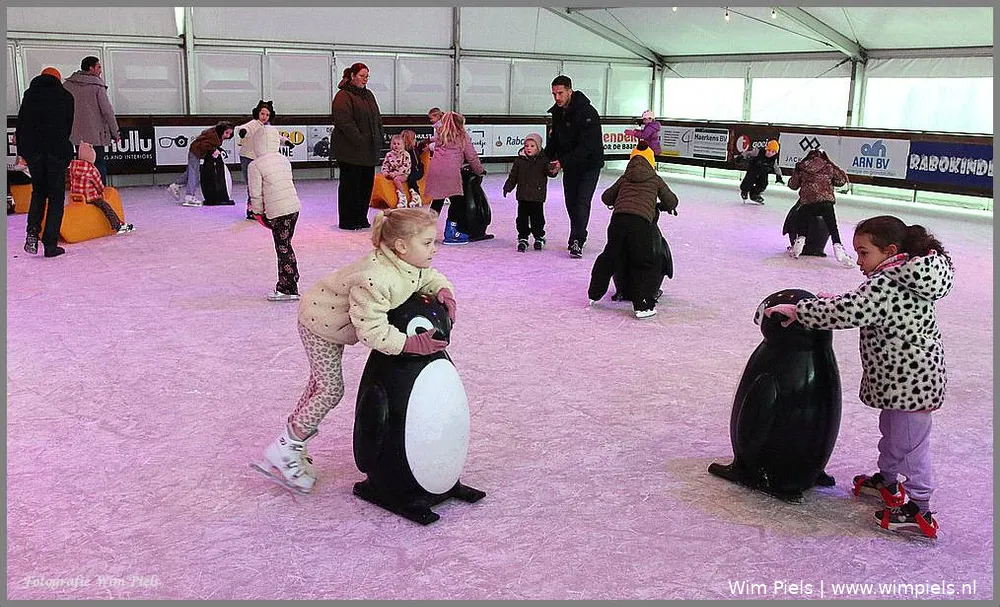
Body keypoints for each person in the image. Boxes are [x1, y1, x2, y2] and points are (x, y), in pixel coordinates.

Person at [764, 216, 954, 539]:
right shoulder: (903, 274)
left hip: (912, 384)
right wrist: (828, 302)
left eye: (864, 253)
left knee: (910, 447)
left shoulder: (887, 283)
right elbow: (859, 303)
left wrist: (801, 311)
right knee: (892, 434)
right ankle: (888, 482)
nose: (859, 261)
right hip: (905, 380)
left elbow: (850, 311)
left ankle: (919, 510)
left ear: (889, 251)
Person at [255, 207, 457, 494]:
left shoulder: (406, 264)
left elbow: (427, 277)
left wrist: (443, 291)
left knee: (318, 385)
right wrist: (410, 343)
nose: (434, 248)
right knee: (330, 389)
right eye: (427, 242)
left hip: (329, 320)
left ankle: (292, 440)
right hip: (319, 323)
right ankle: (286, 449)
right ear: (401, 246)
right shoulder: (376, 279)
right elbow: (371, 330)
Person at [587, 155, 678, 319]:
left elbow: (606, 197)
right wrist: (661, 205)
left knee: (610, 256)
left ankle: (594, 293)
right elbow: (672, 201)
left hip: (618, 221)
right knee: (643, 262)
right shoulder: (655, 179)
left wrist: (620, 199)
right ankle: (643, 305)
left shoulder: (625, 178)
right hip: (640, 223)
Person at [16, 67, 75, 258]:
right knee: (56, 197)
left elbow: (21, 124)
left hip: (34, 152)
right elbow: (67, 127)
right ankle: (50, 244)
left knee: (39, 192)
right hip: (56, 152)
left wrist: (23, 151)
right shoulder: (65, 96)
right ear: (58, 79)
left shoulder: (29, 95)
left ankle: (32, 232)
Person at [545, 75, 605, 259]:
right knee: (571, 202)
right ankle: (578, 234)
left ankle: (577, 239)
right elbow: (555, 140)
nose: (557, 97)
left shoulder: (587, 113)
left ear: (570, 91)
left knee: (581, 201)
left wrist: (562, 162)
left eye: (560, 93)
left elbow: (587, 146)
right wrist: (543, 159)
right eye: (554, 94)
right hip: (571, 165)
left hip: (589, 165)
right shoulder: (558, 112)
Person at [248, 126, 302, 302]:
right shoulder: (283, 160)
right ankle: (292, 277)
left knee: (282, 247)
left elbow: (256, 193)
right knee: (286, 244)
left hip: (278, 212)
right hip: (293, 208)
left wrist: (257, 212)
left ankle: (287, 288)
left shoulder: (255, 165)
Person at [331, 62, 383, 230]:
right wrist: (359, 140)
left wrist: (379, 136)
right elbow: (344, 122)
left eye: (367, 76)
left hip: (368, 151)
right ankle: (348, 220)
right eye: (362, 76)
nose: (365, 79)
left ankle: (361, 217)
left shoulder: (369, 95)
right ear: (352, 76)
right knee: (350, 186)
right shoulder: (343, 96)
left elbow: (377, 118)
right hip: (350, 151)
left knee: (365, 185)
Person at [422, 111, 485, 245]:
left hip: (435, 170)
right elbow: (471, 156)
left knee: (437, 201)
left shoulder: (440, 134)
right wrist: (479, 170)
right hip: (450, 172)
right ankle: (451, 232)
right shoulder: (461, 136)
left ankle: (426, 231)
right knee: (457, 201)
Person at [786, 148, 853, 266]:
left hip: (807, 202)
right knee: (833, 227)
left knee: (802, 220)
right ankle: (838, 249)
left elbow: (793, 185)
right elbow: (841, 181)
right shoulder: (828, 166)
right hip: (825, 203)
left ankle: (798, 245)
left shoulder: (802, 166)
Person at [62, 56, 119, 184]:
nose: (100, 70)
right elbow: (107, 111)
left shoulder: (67, 85)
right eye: (98, 67)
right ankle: (100, 191)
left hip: (76, 134)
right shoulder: (97, 86)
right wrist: (115, 132)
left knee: (81, 164)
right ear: (91, 68)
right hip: (96, 134)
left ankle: (83, 189)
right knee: (98, 163)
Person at [502, 132, 554, 252]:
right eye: (526, 146)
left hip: (537, 196)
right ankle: (523, 236)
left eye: (532, 146)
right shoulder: (519, 161)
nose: (528, 148)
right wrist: (508, 187)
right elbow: (513, 176)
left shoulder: (543, 160)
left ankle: (539, 236)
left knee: (537, 218)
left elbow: (550, 173)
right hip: (523, 196)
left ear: (538, 147)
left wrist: (552, 169)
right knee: (522, 218)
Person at [68, 141, 134, 234]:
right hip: (90, 197)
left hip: (76, 196)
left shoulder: (73, 167)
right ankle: (117, 225)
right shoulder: (91, 170)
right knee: (106, 206)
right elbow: (99, 185)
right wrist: (101, 191)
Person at [167, 122, 234, 207]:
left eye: (230, 134)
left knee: (191, 172)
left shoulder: (214, 134)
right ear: (221, 130)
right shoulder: (213, 136)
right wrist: (213, 150)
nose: (228, 136)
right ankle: (189, 196)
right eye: (226, 133)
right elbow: (204, 145)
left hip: (196, 152)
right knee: (193, 174)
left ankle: (175, 185)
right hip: (195, 152)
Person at [236, 100, 275, 220]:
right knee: (252, 185)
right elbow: (244, 128)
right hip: (248, 157)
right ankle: (251, 209)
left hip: (259, 159)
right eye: (262, 114)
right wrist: (243, 132)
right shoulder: (253, 124)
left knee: (261, 184)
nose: (264, 117)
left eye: (267, 115)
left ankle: (259, 209)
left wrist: (286, 141)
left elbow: (276, 137)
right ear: (257, 113)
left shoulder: (267, 127)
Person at [739, 139, 783, 204]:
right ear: (766, 149)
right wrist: (741, 156)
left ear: (775, 153)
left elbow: (776, 168)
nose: (770, 153)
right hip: (753, 169)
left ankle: (754, 194)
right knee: (749, 179)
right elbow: (749, 153)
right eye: (769, 150)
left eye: (773, 152)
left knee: (763, 184)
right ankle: (744, 191)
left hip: (763, 172)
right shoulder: (758, 152)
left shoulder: (773, 160)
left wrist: (779, 176)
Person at [380, 134, 412, 206]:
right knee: (381, 178)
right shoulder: (389, 154)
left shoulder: (406, 154)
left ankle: (403, 197)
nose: (396, 146)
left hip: (403, 174)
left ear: (403, 145)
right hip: (391, 173)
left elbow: (405, 167)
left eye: (398, 144)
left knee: (396, 179)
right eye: (394, 144)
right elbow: (385, 164)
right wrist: (385, 172)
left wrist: (395, 173)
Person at [400, 129, 424, 206]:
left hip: (417, 170)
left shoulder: (412, 150)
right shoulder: (402, 151)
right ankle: (401, 196)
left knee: (411, 178)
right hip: (406, 170)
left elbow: (415, 164)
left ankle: (416, 195)